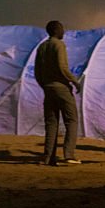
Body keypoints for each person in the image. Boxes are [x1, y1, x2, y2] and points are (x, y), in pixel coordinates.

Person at [34, 21, 82, 165]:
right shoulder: (59, 45)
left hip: (48, 88)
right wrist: (75, 81)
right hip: (61, 87)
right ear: (56, 30)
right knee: (71, 120)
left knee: (51, 123)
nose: (63, 31)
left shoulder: (42, 47)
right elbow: (62, 67)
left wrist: (45, 85)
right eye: (61, 28)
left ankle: (49, 157)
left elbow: (37, 71)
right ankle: (69, 154)